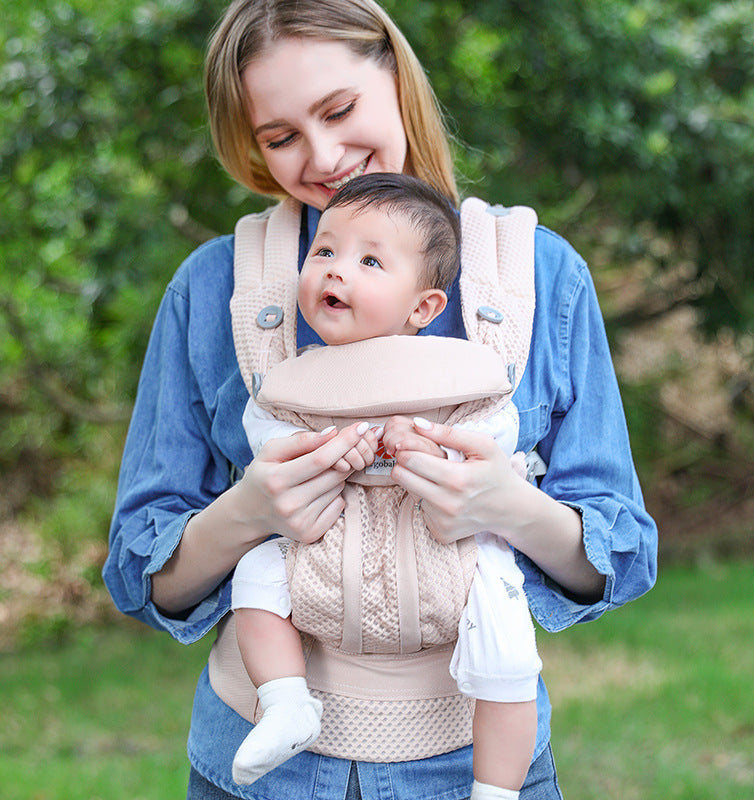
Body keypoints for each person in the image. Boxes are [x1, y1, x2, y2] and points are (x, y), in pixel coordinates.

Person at [103, 0, 658, 798]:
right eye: (280, 137)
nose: (324, 156)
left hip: (477, 768)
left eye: (339, 110)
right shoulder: (218, 289)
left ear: (395, 78)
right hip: (264, 772)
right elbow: (139, 571)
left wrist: (508, 505)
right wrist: (249, 512)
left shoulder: (532, 276)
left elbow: (621, 553)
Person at [229, 173, 543, 800]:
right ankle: (286, 699)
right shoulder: (293, 375)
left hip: (448, 552)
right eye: (324, 251)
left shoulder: (457, 371)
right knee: (256, 575)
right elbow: (265, 434)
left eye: (369, 260)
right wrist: (304, 455)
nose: (334, 272)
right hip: (325, 542)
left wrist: (432, 442)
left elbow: (496, 433)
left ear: (423, 308)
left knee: (507, 643)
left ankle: (499, 788)